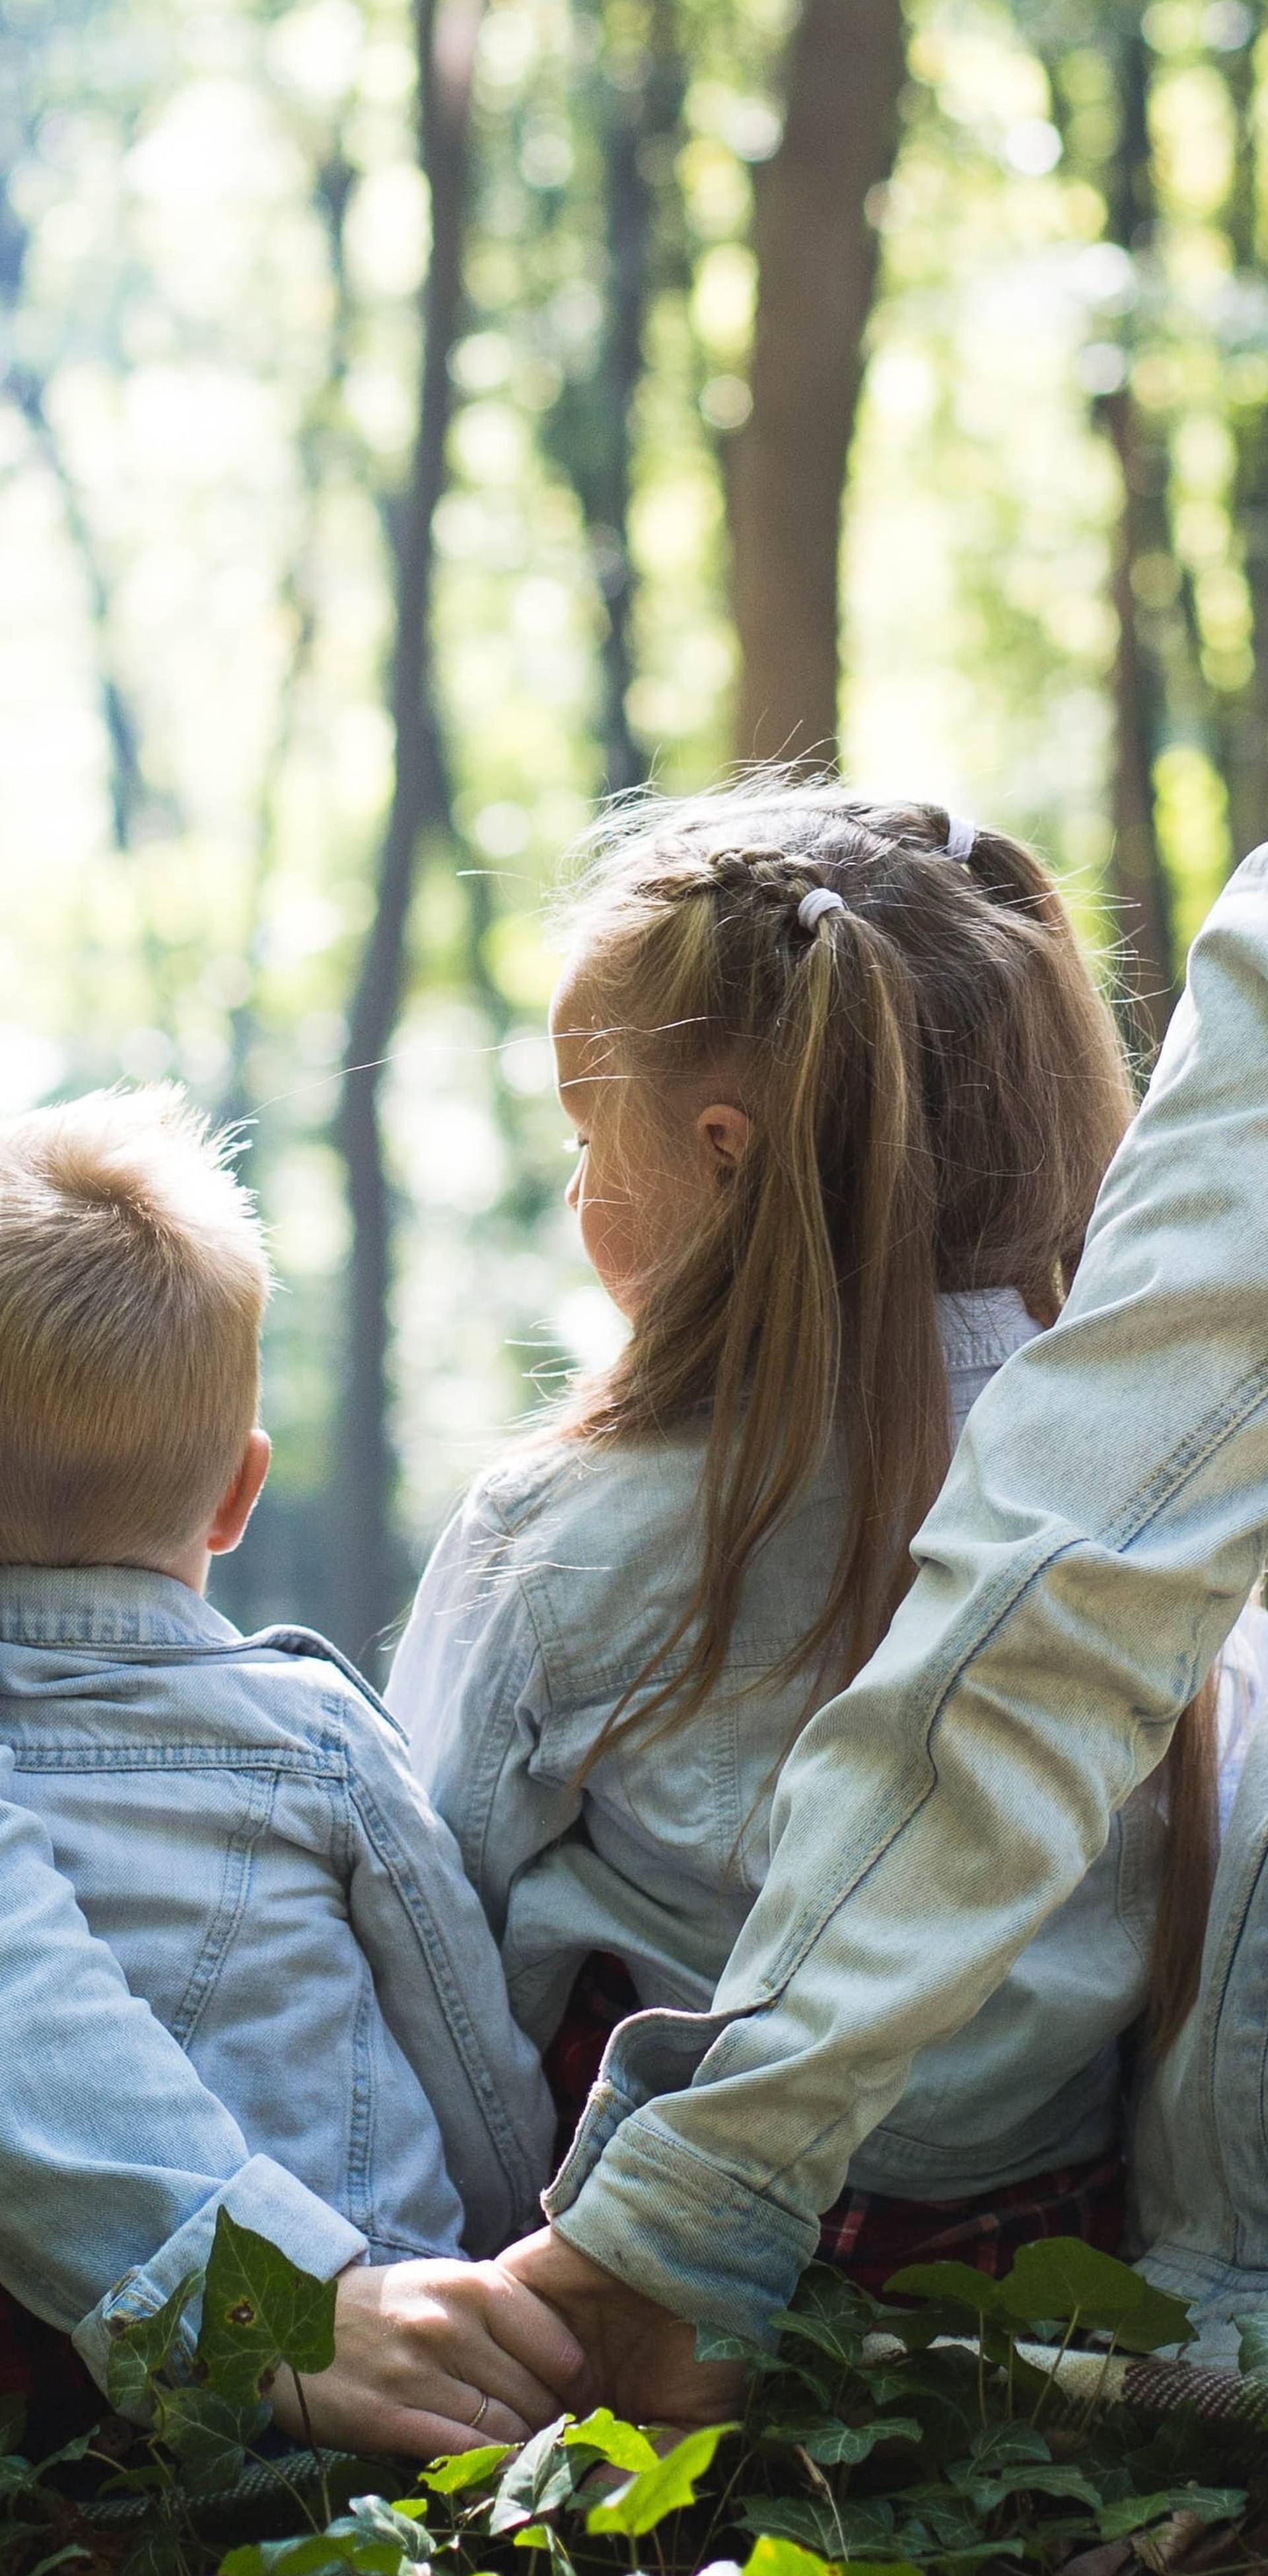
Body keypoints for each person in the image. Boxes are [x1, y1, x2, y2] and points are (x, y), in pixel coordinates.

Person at [389, 782, 1255, 2317]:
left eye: (591, 1137)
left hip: (641, 2271)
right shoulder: (1159, 1514)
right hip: (1041, 2258)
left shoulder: (559, 1534)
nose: (580, 1190)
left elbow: (427, 1924)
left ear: (723, 1156)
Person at [0, 1087, 582, 2449]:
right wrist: (511, 2240)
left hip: (73, 2403)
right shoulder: (308, 1731)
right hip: (354, 2365)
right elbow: (463, 2036)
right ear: (239, 1490)